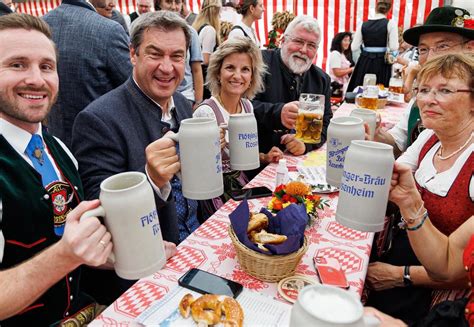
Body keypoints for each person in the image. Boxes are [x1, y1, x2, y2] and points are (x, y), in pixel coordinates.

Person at [71, 11, 197, 305]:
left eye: (177, 56)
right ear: (132, 54)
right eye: (155, 54)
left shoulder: (182, 104)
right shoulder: (98, 120)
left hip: (196, 243)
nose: (167, 67)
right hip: (145, 275)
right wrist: (151, 180)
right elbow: (101, 217)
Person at [0, 13, 112, 326]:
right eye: (17, 64)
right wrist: (67, 255)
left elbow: (73, 243)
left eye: (46, 66)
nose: (37, 79)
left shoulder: (58, 149)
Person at [365, 53, 474, 323]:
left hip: (438, 291)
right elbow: (392, 180)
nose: (427, 99)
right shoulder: (428, 137)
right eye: (423, 90)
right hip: (400, 250)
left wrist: (400, 276)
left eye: (444, 90)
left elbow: (457, 268)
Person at [193, 37, 283, 216]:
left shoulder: (247, 107)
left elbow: (242, 155)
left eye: (245, 70)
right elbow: (195, 170)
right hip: (213, 194)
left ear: (251, 77)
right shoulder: (206, 113)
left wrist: (265, 157)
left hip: (241, 187)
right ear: (218, 73)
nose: (237, 76)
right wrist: (210, 153)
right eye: (230, 68)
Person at [375, 6, 474, 158]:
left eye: (442, 46)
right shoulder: (423, 96)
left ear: (470, 48)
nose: (430, 58)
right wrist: (376, 133)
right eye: (423, 49)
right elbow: (398, 143)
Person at [42, 0, 132, 148]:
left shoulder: (39, 25)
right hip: (101, 144)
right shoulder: (109, 30)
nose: (114, 3)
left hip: (52, 146)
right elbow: (135, 87)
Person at [252, 15, 333, 169]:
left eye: (311, 45)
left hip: (298, 166)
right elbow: (236, 106)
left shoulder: (321, 80)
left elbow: (325, 122)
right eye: (298, 41)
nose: (303, 50)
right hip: (256, 163)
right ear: (283, 40)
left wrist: (305, 143)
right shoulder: (258, 63)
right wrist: (277, 112)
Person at [157, 0, 204, 107]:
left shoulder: (190, 32)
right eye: (169, 2)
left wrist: (198, 102)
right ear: (159, 3)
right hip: (157, 97)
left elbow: (196, 70)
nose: (174, 7)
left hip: (185, 97)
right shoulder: (151, 31)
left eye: (177, 2)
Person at [347, 0, 398, 92]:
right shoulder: (390, 23)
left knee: (361, 89)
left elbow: (353, 47)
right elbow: (394, 47)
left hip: (365, 60)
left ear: (375, 8)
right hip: (382, 62)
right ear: (389, 10)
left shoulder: (363, 24)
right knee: (380, 91)